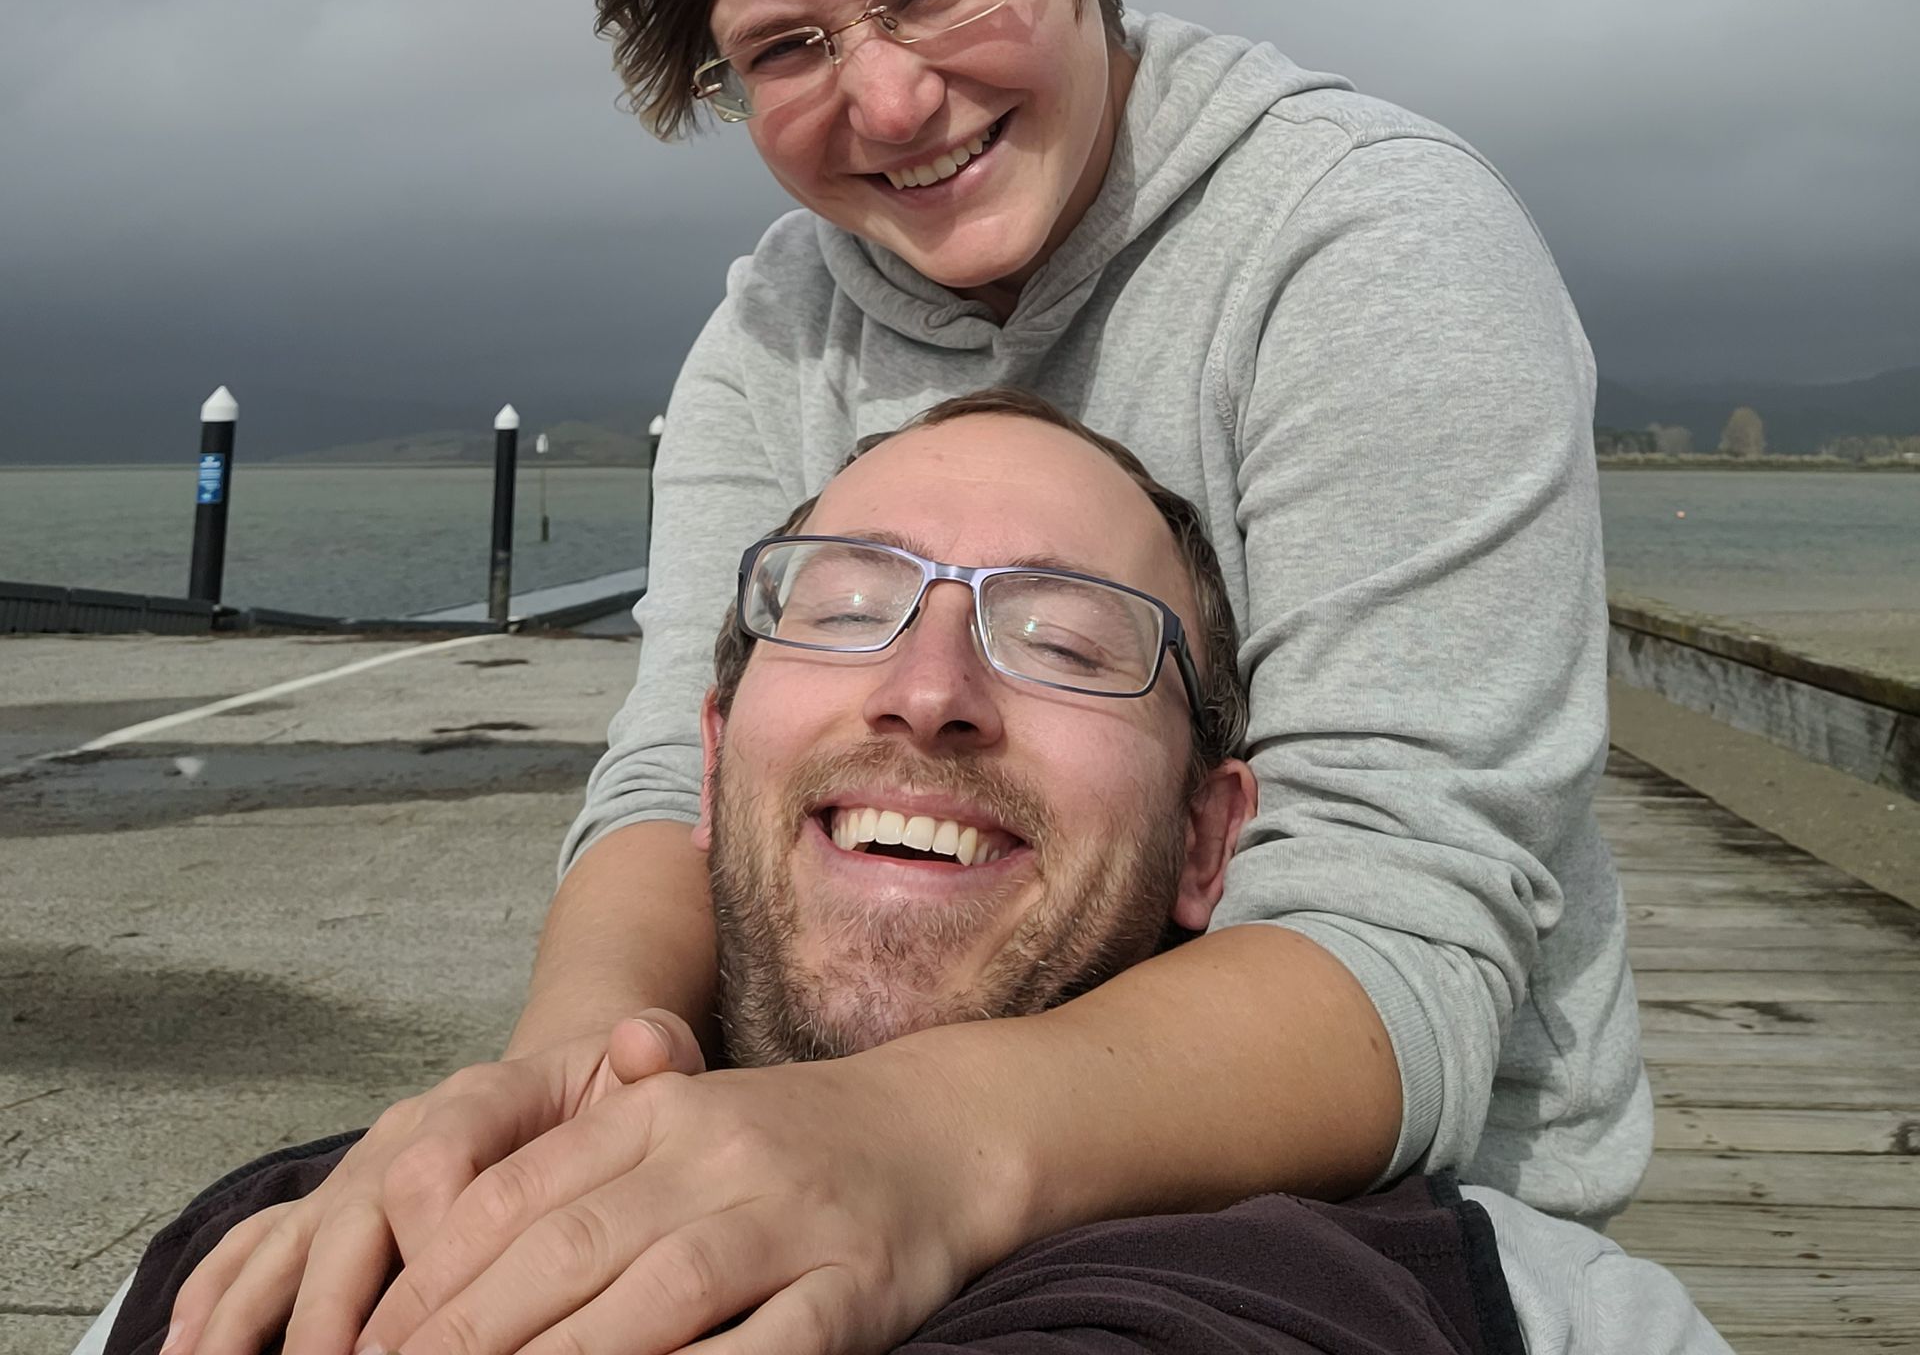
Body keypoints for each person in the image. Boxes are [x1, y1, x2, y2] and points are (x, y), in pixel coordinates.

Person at [168, 0, 1649, 1355]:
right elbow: (672, 781)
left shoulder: (1372, 251)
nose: (885, 101)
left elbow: (1396, 917)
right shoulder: (772, 332)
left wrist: (908, 1151)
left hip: (1358, 1204)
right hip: (829, 1122)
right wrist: (566, 1099)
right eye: (784, 48)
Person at [126, 395, 1718, 1355]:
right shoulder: (284, 1248)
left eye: (1067, 640)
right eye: (841, 607)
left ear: (1207, 838)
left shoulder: (1507, 1311)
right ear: (711, 754)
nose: (929, 684)